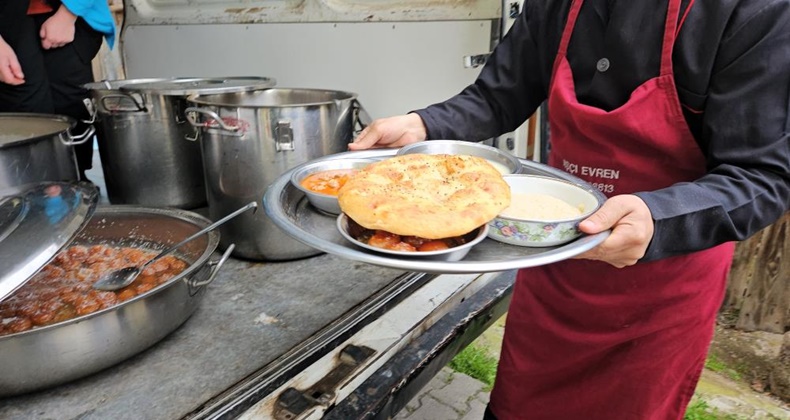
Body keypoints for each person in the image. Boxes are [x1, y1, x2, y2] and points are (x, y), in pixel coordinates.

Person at [350, 0, 790, 418]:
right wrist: (425, 124)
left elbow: (762, 175)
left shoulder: (752, 11)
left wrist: (659, 219)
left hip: (660, 289)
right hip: (557, 266)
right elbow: (498, 95)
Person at [0, 0, 115, 181]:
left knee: (71, 103)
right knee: (25, 111)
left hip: (72, 12)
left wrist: (68, 14)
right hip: (6, 24)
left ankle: (76, 184)